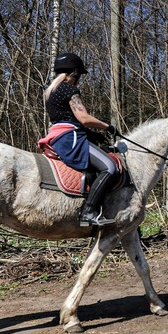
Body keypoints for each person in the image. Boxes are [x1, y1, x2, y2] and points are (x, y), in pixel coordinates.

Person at [40, 52, 119, 227]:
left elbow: (66, 119)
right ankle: (89, 213)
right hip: (71, 138)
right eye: (79, 75)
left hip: (57, 136)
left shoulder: (50, 91)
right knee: (110, 167)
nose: (79, 79)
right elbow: (83, 118)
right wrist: (107, 126)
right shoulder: (69, 89)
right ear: (74, 73)